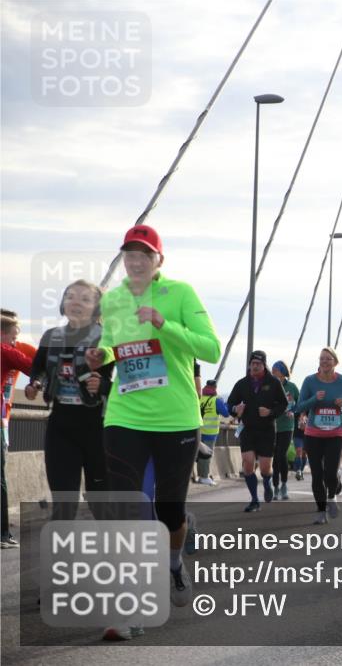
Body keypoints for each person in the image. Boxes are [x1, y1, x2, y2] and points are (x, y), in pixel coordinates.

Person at [85, 224, 221, 639]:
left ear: (159, 260)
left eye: (144, 253)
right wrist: (100, 355)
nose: (135, 259)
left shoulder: (180, 293)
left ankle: (175, 564)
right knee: (130, 509)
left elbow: (211, 349)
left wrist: (164, 324)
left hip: (176, 419)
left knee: (169, 512)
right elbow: (111, 344)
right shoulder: (114, 299)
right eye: (129, 252)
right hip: (125, 414)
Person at [24, 281, 111, 520]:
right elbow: (39, 368)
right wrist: (36, 384)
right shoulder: (51, 336)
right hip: (61, 425)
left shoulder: (107, 338)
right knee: (64, 502)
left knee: (100, 502)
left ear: (96, 307)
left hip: (98, 427)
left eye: (84, 299)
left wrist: (103, 385)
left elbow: (126, 381)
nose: (75, 302)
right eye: (70, 296)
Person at [297, 347, 342, 524]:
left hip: (335, 433)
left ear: (335, 362)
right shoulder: (310, 381)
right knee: (317, 474)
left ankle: (332, 496)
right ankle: (320, 511)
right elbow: (300, 407)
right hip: (313, 433)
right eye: (322, 359)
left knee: (330, 473)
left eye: (328, 359)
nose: (324, 362)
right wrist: (314, 399)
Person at [227, 350, 288, 512]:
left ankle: (267, 482)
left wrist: (270, 412)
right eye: (253, 363)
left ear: (264, 365)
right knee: (247, 464)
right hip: (247, 429)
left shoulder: (274, 382)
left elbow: (283, 404)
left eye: (258, 364)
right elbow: (230, 404)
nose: (255, 366)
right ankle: (254, 500)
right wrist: (235, 409)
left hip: (267, 430)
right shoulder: (242, 383)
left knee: (265, 468)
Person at [1, 316, 35, 548]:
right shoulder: (6, 350)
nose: (16, 342)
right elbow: (36, 366)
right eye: (13, 337)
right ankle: (3, 534)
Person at [270, 361, 298, 499]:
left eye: (275, 369)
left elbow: (300, 403)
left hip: (287, 426)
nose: (273, 371)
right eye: (272, 369)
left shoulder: (292, 387)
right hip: (272, 426)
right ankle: (275, 487)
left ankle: (284, 484)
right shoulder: (270, 386)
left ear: (282, 372)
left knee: (281, 455)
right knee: (274, 458)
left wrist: (294, 411)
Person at [197, 380, 229, 486]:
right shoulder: (217, 400)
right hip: (210, 433)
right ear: (215, 388)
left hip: (198, 431)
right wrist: (226, 404)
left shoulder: (199, 397)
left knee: (198, 454)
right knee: (206, 455)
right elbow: (225, 413)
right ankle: (204, 477)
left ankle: (199, 476)